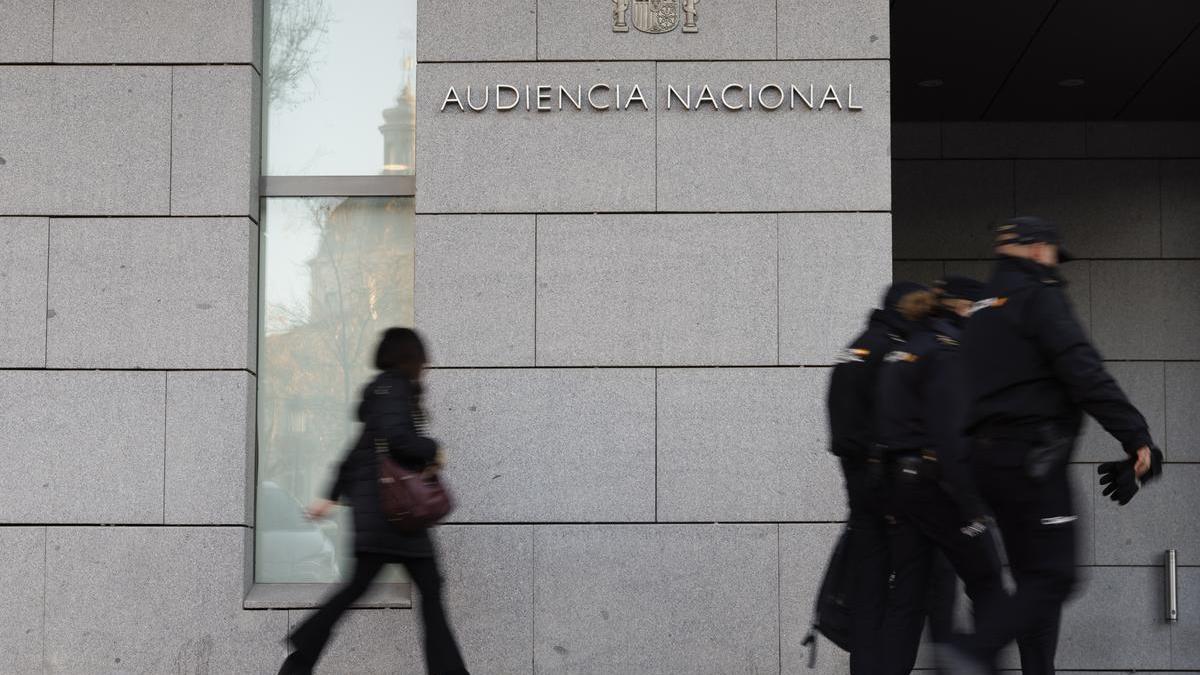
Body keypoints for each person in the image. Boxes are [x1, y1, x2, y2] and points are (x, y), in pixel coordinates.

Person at [953, 217, 1163, 674]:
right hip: (1034, 461)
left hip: (989, 464)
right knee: (1055, 576)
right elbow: (1083, 370)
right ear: (1035, 250)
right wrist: (1136, 436)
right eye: (1052, 253)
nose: (1054, 264)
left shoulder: (983, 310)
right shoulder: (1039, 297)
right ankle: (972, 650)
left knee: (1033, 583)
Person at [280, 328, 470, 675]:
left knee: (362, 588)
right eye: (422, 357)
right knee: (429, 590)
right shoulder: (393, 388)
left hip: (381, 519)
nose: (426, 365)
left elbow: (354, 454)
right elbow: (399, 440)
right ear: (408, 357)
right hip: (395, 516)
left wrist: (330, 496)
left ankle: (299, 660)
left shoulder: (381, 393)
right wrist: (433, 450)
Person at [874, 277, 1005, 674]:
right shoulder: (946, 353)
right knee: (988, 581)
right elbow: (950, 436)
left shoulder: (904, 352)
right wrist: (971, 505)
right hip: (937, 487)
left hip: (903, 487)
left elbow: (883, 430)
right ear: (963, 307)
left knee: (908, 600)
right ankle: (970, 663)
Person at [826, 281, 930, 674]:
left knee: (867, 598)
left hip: (860, 493)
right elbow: (894, 424)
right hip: (888, 494)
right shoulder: (892, 352)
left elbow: (842, 430)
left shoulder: (854, 349)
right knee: (907, 594)